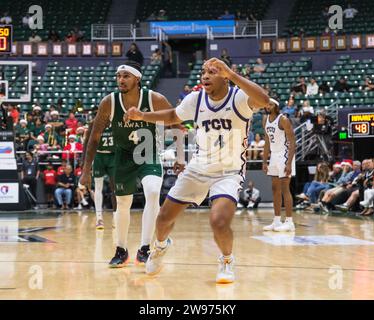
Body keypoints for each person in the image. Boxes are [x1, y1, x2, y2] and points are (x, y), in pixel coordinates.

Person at [126, 57, 270, 283]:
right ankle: (161, 246)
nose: (205, 76)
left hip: (228, 171)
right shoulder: (196, 99)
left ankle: (226, 260)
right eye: (203, 72)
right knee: (163, 219)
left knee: (219, 221)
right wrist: (143, 116)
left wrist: (232, 74)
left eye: (212, 72)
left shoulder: (239, 97)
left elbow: (264, 100)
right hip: (197, 168)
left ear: (224, 75)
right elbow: (174, 116)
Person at [80, 61, 183, 267]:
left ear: (137, 79)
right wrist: (86, 169)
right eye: (118, 76)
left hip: (148, 153)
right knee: (123, 204)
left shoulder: (155, 99)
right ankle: (121, 249)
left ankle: (144, 248)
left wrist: (180, 158)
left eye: (126, 76)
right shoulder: (109, 102)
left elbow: (178, 125)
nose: (121, 80)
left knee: (153, 192)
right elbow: (94, 137)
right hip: (124, 156)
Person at [262, 98, 296, 232]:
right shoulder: (265, 120)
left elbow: (293, 141)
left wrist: (289, 162)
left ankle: (289, 221)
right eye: (266, 104)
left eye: (270, 104)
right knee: (275, 188)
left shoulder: (283, 120)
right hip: (274, 156)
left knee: (285, 188)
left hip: (285, 154)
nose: (267, 106)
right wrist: (265, 161)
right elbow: (267, 142)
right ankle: (276, 220)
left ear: (276, 106)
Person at [83, 110, 116, 229]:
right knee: (98, 187)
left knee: (115, 188)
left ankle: (115, 217)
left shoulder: (116, 123)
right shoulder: (93, 124)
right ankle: (99, 218)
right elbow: (86, 145)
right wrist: (84, 166)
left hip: (113, 156)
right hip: (99, 156)